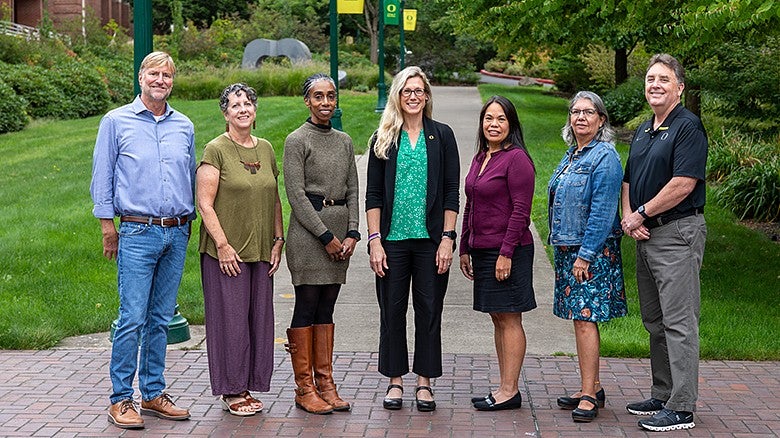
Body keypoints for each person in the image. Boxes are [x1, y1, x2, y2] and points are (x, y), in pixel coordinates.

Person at [90, 51, 193, 429]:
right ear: (140, 77)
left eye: (167, 74)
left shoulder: (184, 125)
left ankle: (152, 393)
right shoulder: (116, 122)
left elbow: (189, 174)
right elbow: (102, 178)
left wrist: (189, 222)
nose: (161, 80)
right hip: (136, 230)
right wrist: (107, 227)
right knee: (132, 317)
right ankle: (121, 399)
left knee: (161, 318)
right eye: (154, 73)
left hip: (178, 229)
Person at [621, 54, 708, 432]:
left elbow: (683, 183)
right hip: (645, 233)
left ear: (679, 87)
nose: (654, 84)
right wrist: (630, 217)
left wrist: (641, 212)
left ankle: (683, 407)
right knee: (654, 321)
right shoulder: (645, 129)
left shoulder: (688, 127)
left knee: (679, 322)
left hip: (676, 234)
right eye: (650, 78)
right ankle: (662, 393)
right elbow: (628, 179)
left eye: (663, 79)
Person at [365, 66, 460, 412]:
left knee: (429, 309)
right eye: (407, 91)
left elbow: (452, 193)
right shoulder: (383, 139)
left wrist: (448, 238)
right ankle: (395, 381)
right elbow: (373, 195)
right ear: (398, 96)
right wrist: (374, 240)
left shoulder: (443, 136)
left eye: (419, 91)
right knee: (391, 311)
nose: (414, 96)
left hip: (431, 242)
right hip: (391, 241)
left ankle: (424, 382)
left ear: (427, 96)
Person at [196, 83, 284, 417]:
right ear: (225, 112)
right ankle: (233, 390)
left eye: (248, 103)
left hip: (261, 249)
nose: (243, 109)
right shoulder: (215, 149)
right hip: (226, 252)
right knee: (230, 321)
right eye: (235, 105)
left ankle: (249, 382)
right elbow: (204, 203)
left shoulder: (266, 148)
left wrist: (278, 240)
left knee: (258, 320)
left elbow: (274, 196)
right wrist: (222, 245)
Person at [282, 73, 360, 415]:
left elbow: (355, 188)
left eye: (330, 96)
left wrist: (353, 233)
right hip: (308, 236)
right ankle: (304, 387)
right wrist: (326, 237)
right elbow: (296, 196)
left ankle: (326, 382)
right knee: (307, 303)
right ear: (307, 101)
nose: (326, 102)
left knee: (327, 307)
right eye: (318, 96)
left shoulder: (344, 141)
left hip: (341, 236)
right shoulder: (296, 140)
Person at [548, 91, 627, 422]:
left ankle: (589, 396)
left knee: (585, 321)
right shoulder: (572, 156)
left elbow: (603, 212)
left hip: (590, 252)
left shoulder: (605, 157)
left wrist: (586, 255)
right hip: (571, 249)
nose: (580, 117)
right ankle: (590, 386)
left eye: (588, 112)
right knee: (580, 320)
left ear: (601, 120)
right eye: (575, 112)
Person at [459, 95, 536, 412]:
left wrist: (506, 253)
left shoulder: (517, 159)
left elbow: (522, 211)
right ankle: (504, 386)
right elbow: (471, 204)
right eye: (489, 118)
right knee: (498, 318)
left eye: (501, 119)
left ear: (511, 124)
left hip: (511, 250)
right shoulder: (481, 158)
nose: (493, 124)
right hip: (482, 249)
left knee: (510, 317)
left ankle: (510, 390)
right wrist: (464, 246)